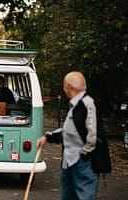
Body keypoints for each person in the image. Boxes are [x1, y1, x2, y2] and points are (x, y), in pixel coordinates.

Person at [36, 71, 99, 200]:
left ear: (69, 87)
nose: (64, 90)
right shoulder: (74, 105)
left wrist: (83, 156)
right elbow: (68, 131)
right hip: (68, 163)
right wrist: (47, 137)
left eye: (64, 86)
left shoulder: (87, 103)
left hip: (82, 164)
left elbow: (93, 135)